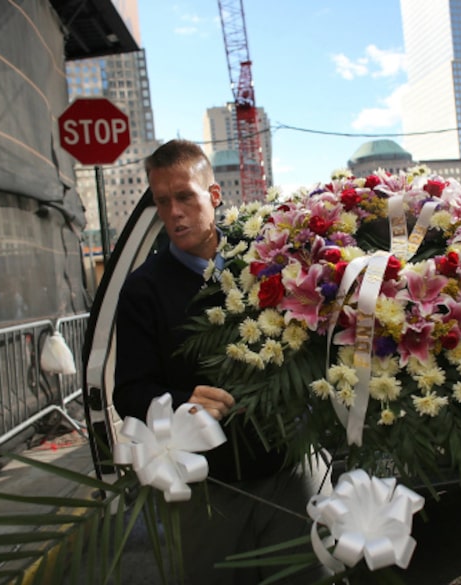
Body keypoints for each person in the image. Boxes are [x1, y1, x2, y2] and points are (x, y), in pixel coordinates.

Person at [113, 139, 321, 585]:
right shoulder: (142, 292)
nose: (174, 212)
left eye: (185, 196)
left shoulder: (267, 260)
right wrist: (180, 403)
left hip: (290, 473)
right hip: (210, 492)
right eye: (162, 201)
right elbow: (129, 393)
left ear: (214, 194)